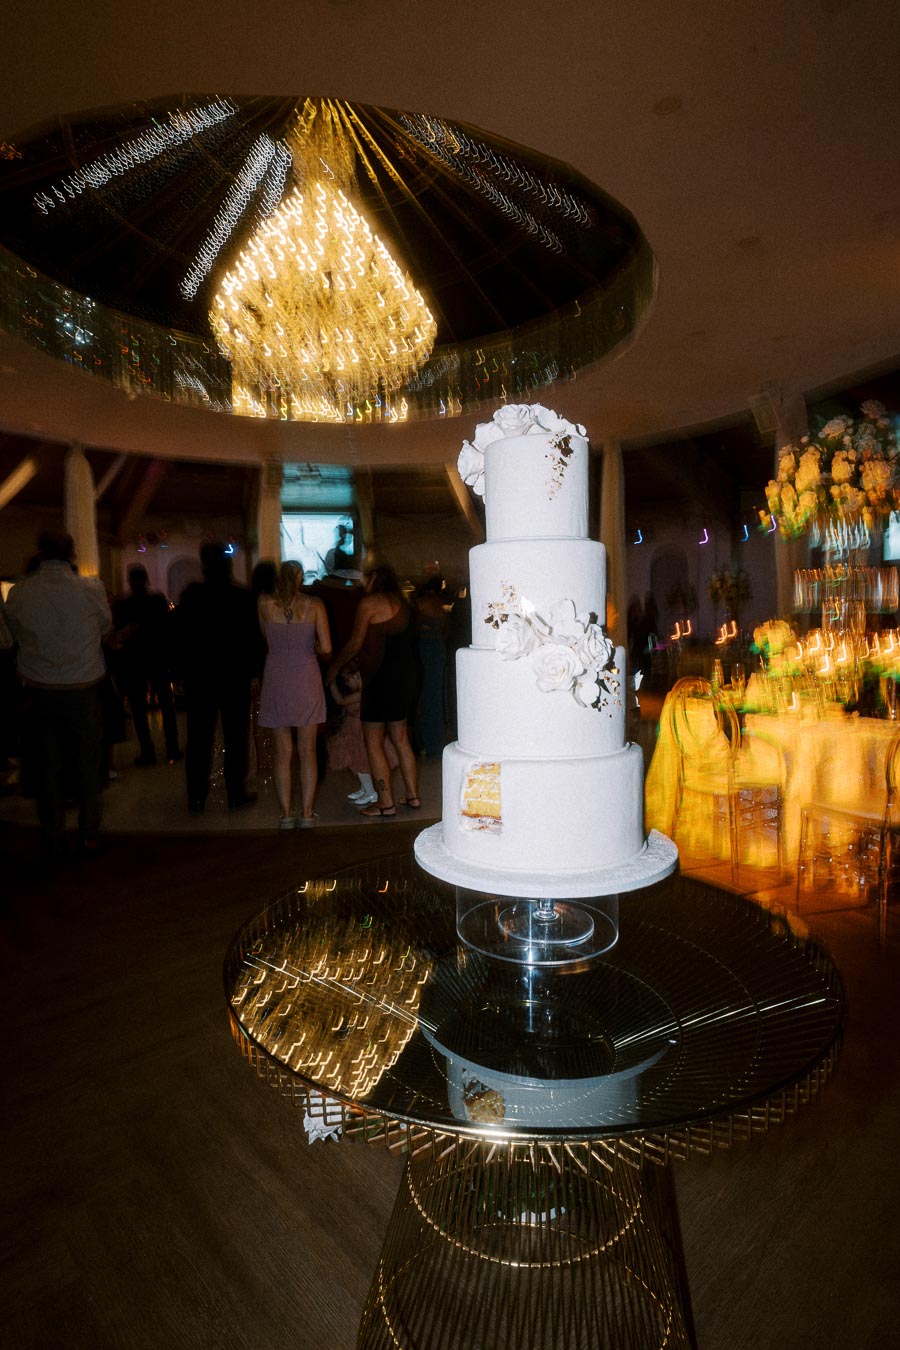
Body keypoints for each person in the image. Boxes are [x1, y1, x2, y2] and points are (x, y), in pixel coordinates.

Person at [4, 529, 111, 857]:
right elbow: (105, 626)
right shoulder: (91, 588)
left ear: (39, 552)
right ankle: (89, 831)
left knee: (47, 763)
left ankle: (52, 832)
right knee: (88, 762)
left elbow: (12, 636)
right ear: (72, 555)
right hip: (83, 687)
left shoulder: (20, 593)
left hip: (41, 690)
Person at [172, 541, 264, 813]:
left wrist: (178, 673)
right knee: (236, 737)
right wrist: (255, 673)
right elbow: (253, 640)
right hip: (234, 676)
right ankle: (235, 792)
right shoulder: (244, 596)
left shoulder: (192, 596)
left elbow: (180, 638)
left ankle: (197, 797)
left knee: (199, 738)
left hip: (200, 676)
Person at [325, 564, 420, 818]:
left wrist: (333, 669)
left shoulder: (370, 603)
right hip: (405, 678)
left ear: (374, 578)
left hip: (380, 680)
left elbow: (355, 644)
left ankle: (385, 803)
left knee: (373, 742)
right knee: (401, 739)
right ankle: (412, 796)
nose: (361, 583)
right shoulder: (403, 603)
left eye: (364, 579)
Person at [257, 560, 331, 829]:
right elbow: (326, 647)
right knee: (307, 750)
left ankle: (286, 814)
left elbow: (267, 639)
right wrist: (308, 644)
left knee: (282, 751)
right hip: (306, 676)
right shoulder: (316, 606)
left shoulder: (264, 604)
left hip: (276, 676)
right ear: (300, 577)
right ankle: (307, 813)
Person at [111, 564, 181, 766]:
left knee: (139, 710)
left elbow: (119, 630)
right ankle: (172, 749)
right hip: (157, 658)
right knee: (166, 706)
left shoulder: (124, 604)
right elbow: (168, 628)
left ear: (130, 581)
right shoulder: (157, 600)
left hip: (134, 661)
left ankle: (148, 752)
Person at [326, 660, 379, 806]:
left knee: (360, 764)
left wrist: (332, 684)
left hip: (358, 732)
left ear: (357, 676)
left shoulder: (362, 693)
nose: (347, 684)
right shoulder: (360, 692)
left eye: (347, 680)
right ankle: (365, 788)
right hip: (352, 730)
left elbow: (341, 700)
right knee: (357, 764)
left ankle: (371, 793)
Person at [413, 574, 448, 757]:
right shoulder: (440, 605)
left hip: (425, 648)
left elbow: (414, 628)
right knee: (435, 696)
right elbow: (444, 629)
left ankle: (424, 742)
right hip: (438, 648)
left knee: (423, 695)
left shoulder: (421, 603)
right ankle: (436, 743)